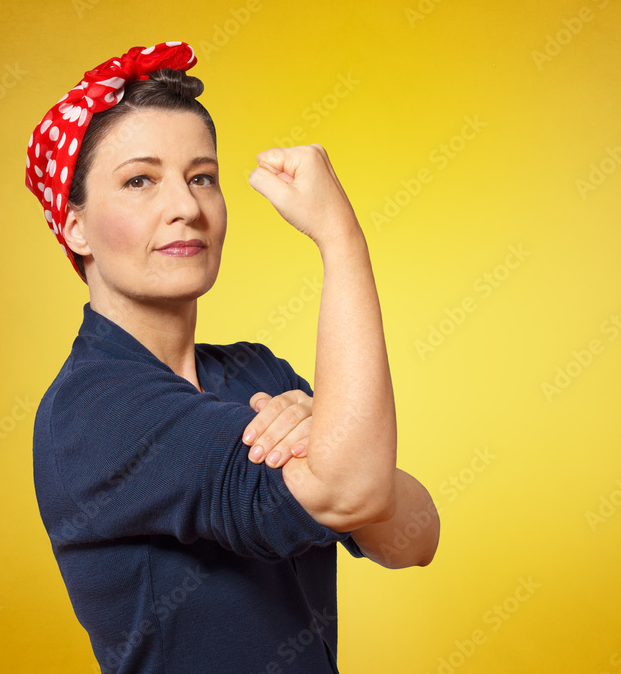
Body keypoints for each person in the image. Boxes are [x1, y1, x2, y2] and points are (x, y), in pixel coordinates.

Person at [25, 41, 440, 673]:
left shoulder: (257, 372)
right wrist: (340, 238)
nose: (186, 208)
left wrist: (325, 435)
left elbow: (414, 538)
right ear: (74, 225)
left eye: (201, 177)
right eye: (140, 180)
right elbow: (353, 491)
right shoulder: (95, 412)